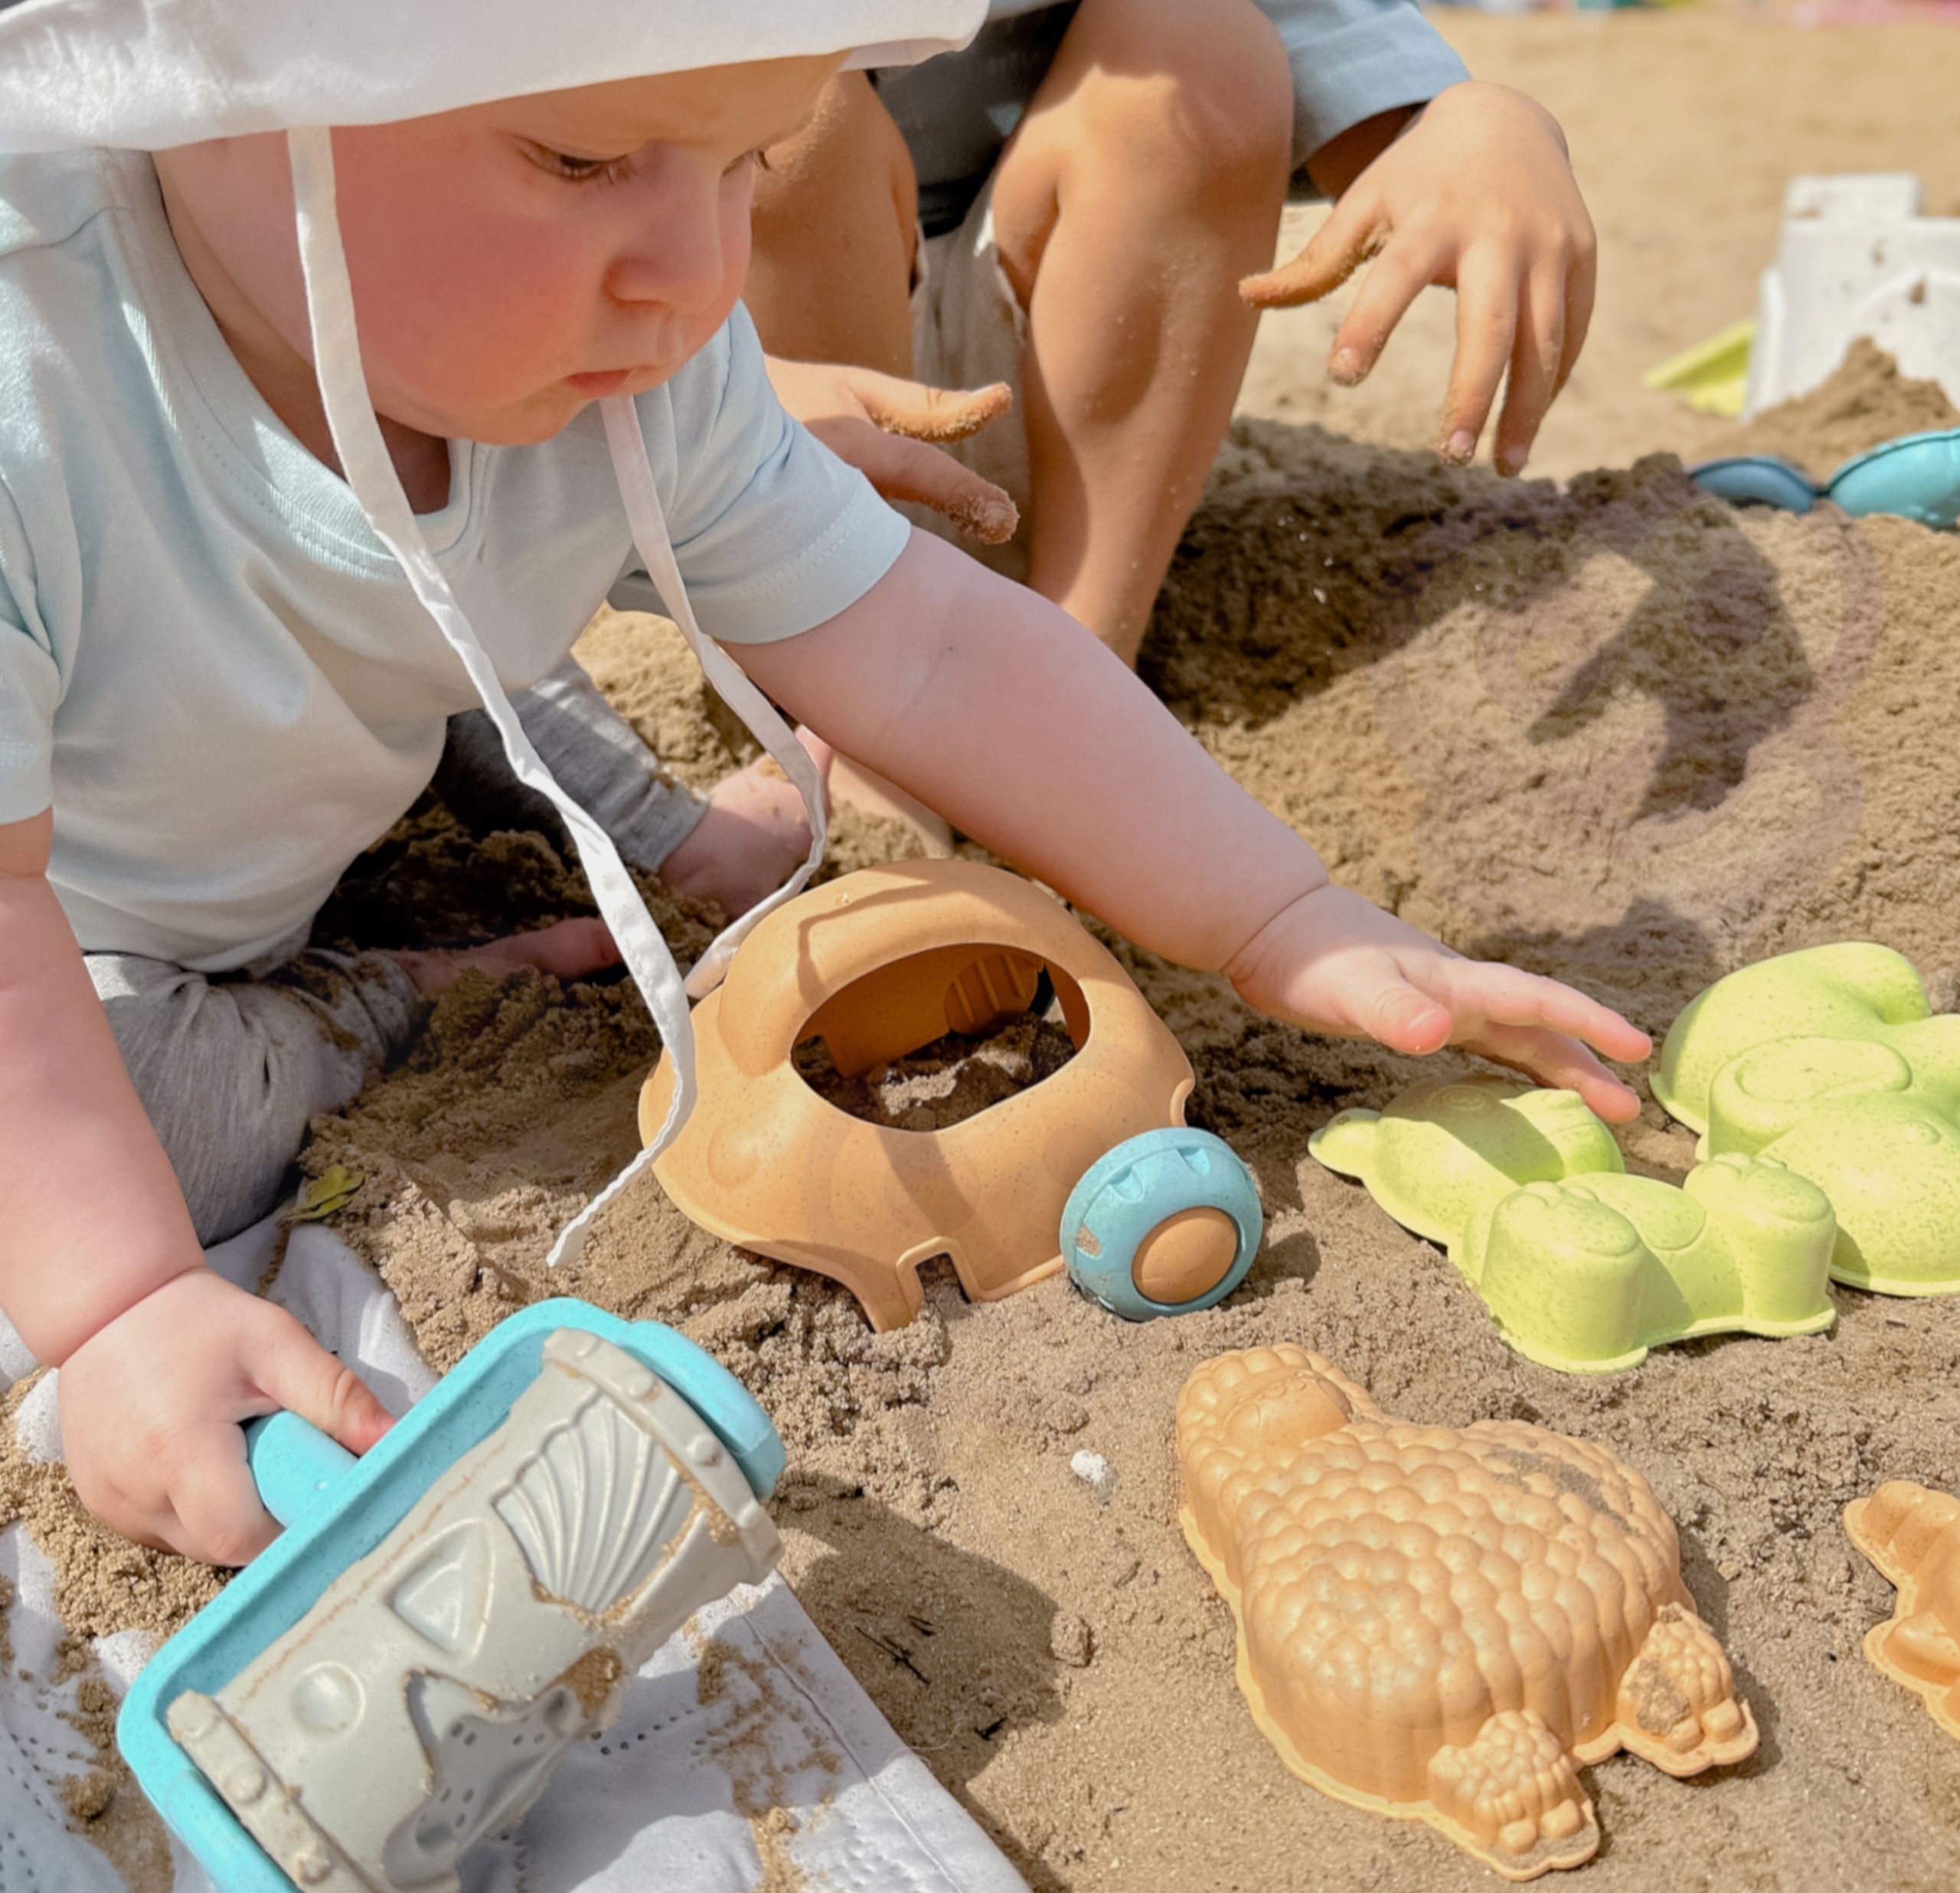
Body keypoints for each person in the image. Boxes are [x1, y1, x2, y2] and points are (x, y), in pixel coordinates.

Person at [0, 0, 1646, 1572]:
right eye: (579, 164)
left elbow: (924, 644)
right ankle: (401, 994)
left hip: (306, 743)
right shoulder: (36, 371)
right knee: (153, 1134)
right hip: (78, 935)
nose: (694, 275)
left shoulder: (618, 349)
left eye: (744, 164)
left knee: (478, 650)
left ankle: (663, 839)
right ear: (216, 88)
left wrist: (1283, 915)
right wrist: (125, 1303)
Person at [746, 0, 1598, 663]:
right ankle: (852, 697)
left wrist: (1483, 122)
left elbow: (1390, 114)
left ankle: (1080, 661)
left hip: (1049, 377)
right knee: (781, 109)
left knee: (1198, 44)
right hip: (741, 424)